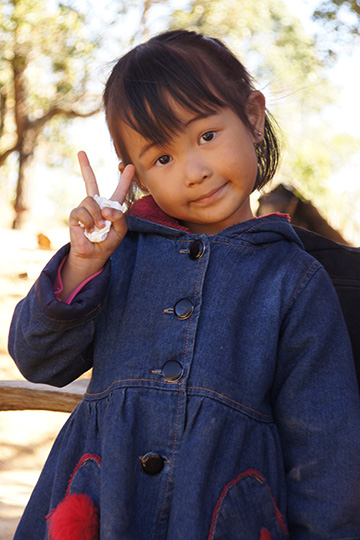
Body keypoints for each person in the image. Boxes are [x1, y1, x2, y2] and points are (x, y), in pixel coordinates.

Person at [8, 29, 360, 540]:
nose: (193, 171)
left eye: (206, 136)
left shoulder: (295, 280)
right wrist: (83, 266)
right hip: (99, 512)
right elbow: (40, 359)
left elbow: (325, 448)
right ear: (138, 176)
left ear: (253, 117)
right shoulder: (118, 257)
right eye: (162, 159)